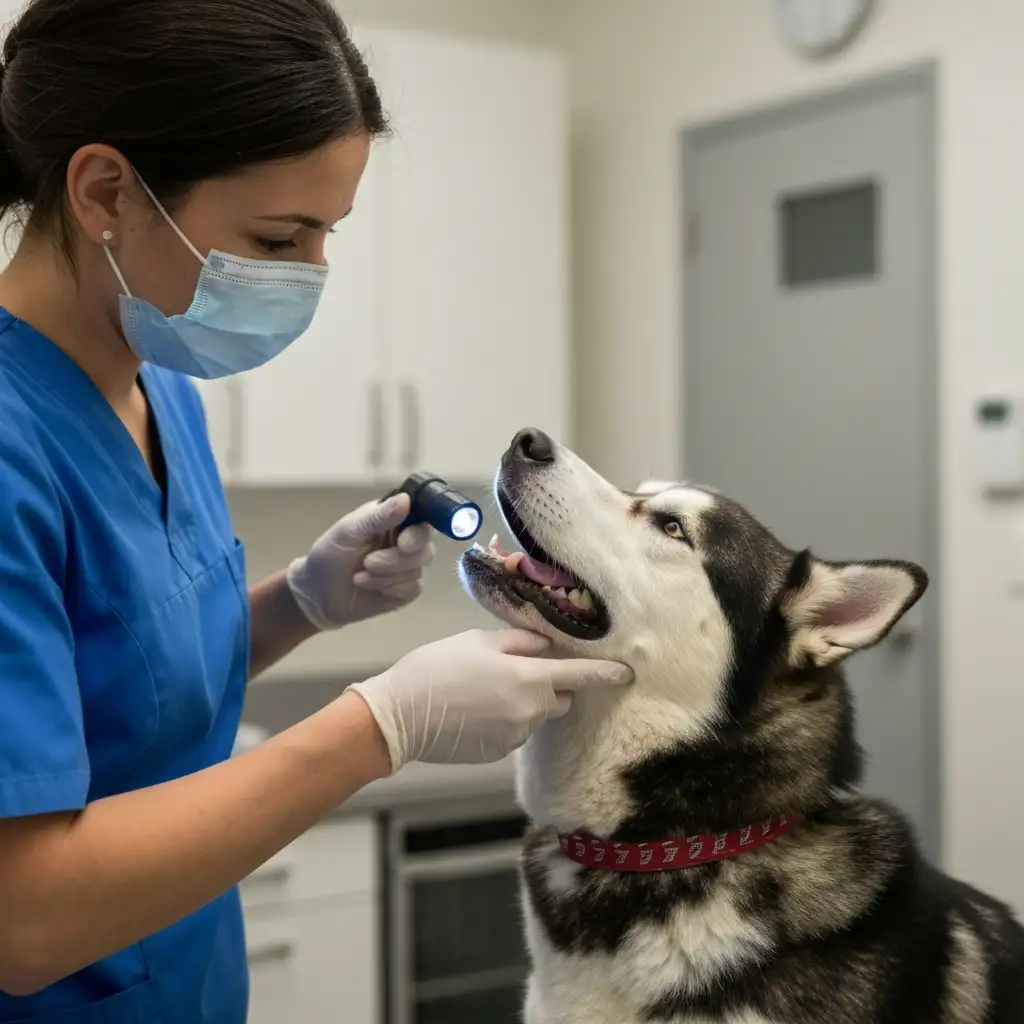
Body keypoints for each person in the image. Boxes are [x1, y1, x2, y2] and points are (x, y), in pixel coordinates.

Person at [0, 1, 634, 1020]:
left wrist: (302, 601)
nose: (311, 276)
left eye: (326, 234)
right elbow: (21, 921)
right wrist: (385, 721)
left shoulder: (164, 390)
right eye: (276, 236)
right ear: (106, 189)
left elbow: (130, 689)